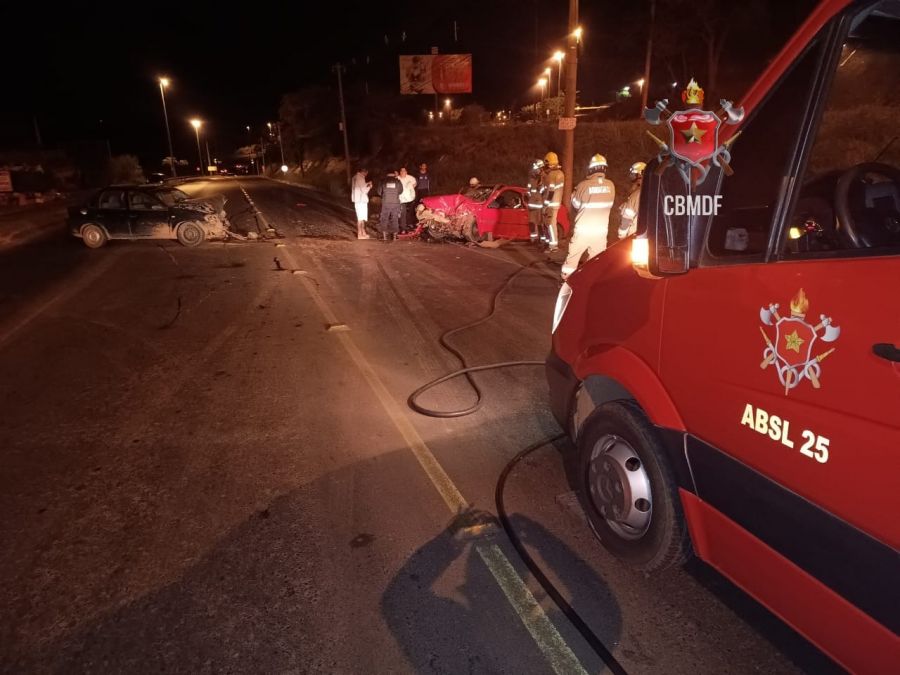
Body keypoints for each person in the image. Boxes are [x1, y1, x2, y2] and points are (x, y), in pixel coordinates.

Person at [561, 154, 616, 280]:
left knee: (573, 258)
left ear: (591, 169)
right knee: (596, 262)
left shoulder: (583, 186)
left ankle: (566, 281)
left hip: (583, 230)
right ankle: (591, 283)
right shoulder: (611, 186)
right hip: (601, 232)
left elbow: (575, 204)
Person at [542, 152, 565, 252]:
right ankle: (552, 245)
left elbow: (550, 191)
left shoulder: (551, 175)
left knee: (551, 225)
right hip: (556, 203)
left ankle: (553, 247)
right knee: (552, 224)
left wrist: (545, 204)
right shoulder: (560, 173)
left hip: (551, 204)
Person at [617, 161, 646, 240]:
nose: (632, 176)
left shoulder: (636, 194)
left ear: (640, 175)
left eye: (634, 174)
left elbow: (627, 218)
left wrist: (621, 234)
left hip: (635, 234)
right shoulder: (652, 188)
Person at [378, 171, 404, 241]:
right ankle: (394, 237)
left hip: (386, 203)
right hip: (395, 203)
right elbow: (401, 191)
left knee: (384, 219)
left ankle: (384, 237)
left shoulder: (383, 182)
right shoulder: (398, 182)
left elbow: (379, 192)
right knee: (395, 219)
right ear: (394, 175)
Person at [525, 158, 545, 244]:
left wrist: (540, 188)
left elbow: (545, 191)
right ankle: (534, 239)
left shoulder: (544, 178)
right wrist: (529, 197)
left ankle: (542, 239)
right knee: (532, 223)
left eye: (537, 168)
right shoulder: (531, 179)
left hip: (539, 205)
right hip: (532, 204)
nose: (535, 170)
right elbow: (528, 190)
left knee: (540, 223)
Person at [351, 167, 373, 240]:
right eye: (366, 173)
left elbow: (360, 186)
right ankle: (360, 234)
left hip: (358, 200)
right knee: (360, 218)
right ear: (364, 172)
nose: (366, 175)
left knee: (361, 217)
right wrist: (369, 186)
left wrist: (367, 183)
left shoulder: (355, 177)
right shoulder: (360, 177)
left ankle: (363, 232)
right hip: (361, 201)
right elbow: (364, 191)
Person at [397, 166, 417, 232]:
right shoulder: (397, 178)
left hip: (410, 199)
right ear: (400, 172)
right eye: (401, 171)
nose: (403, 172)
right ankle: (402, 227)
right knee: (402, 213)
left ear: (406, 172)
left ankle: (409, 224)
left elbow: (415, 183)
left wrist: (410, 189)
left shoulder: (410, 177)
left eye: (404, 171)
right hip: (401, 199)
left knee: (410, 212)